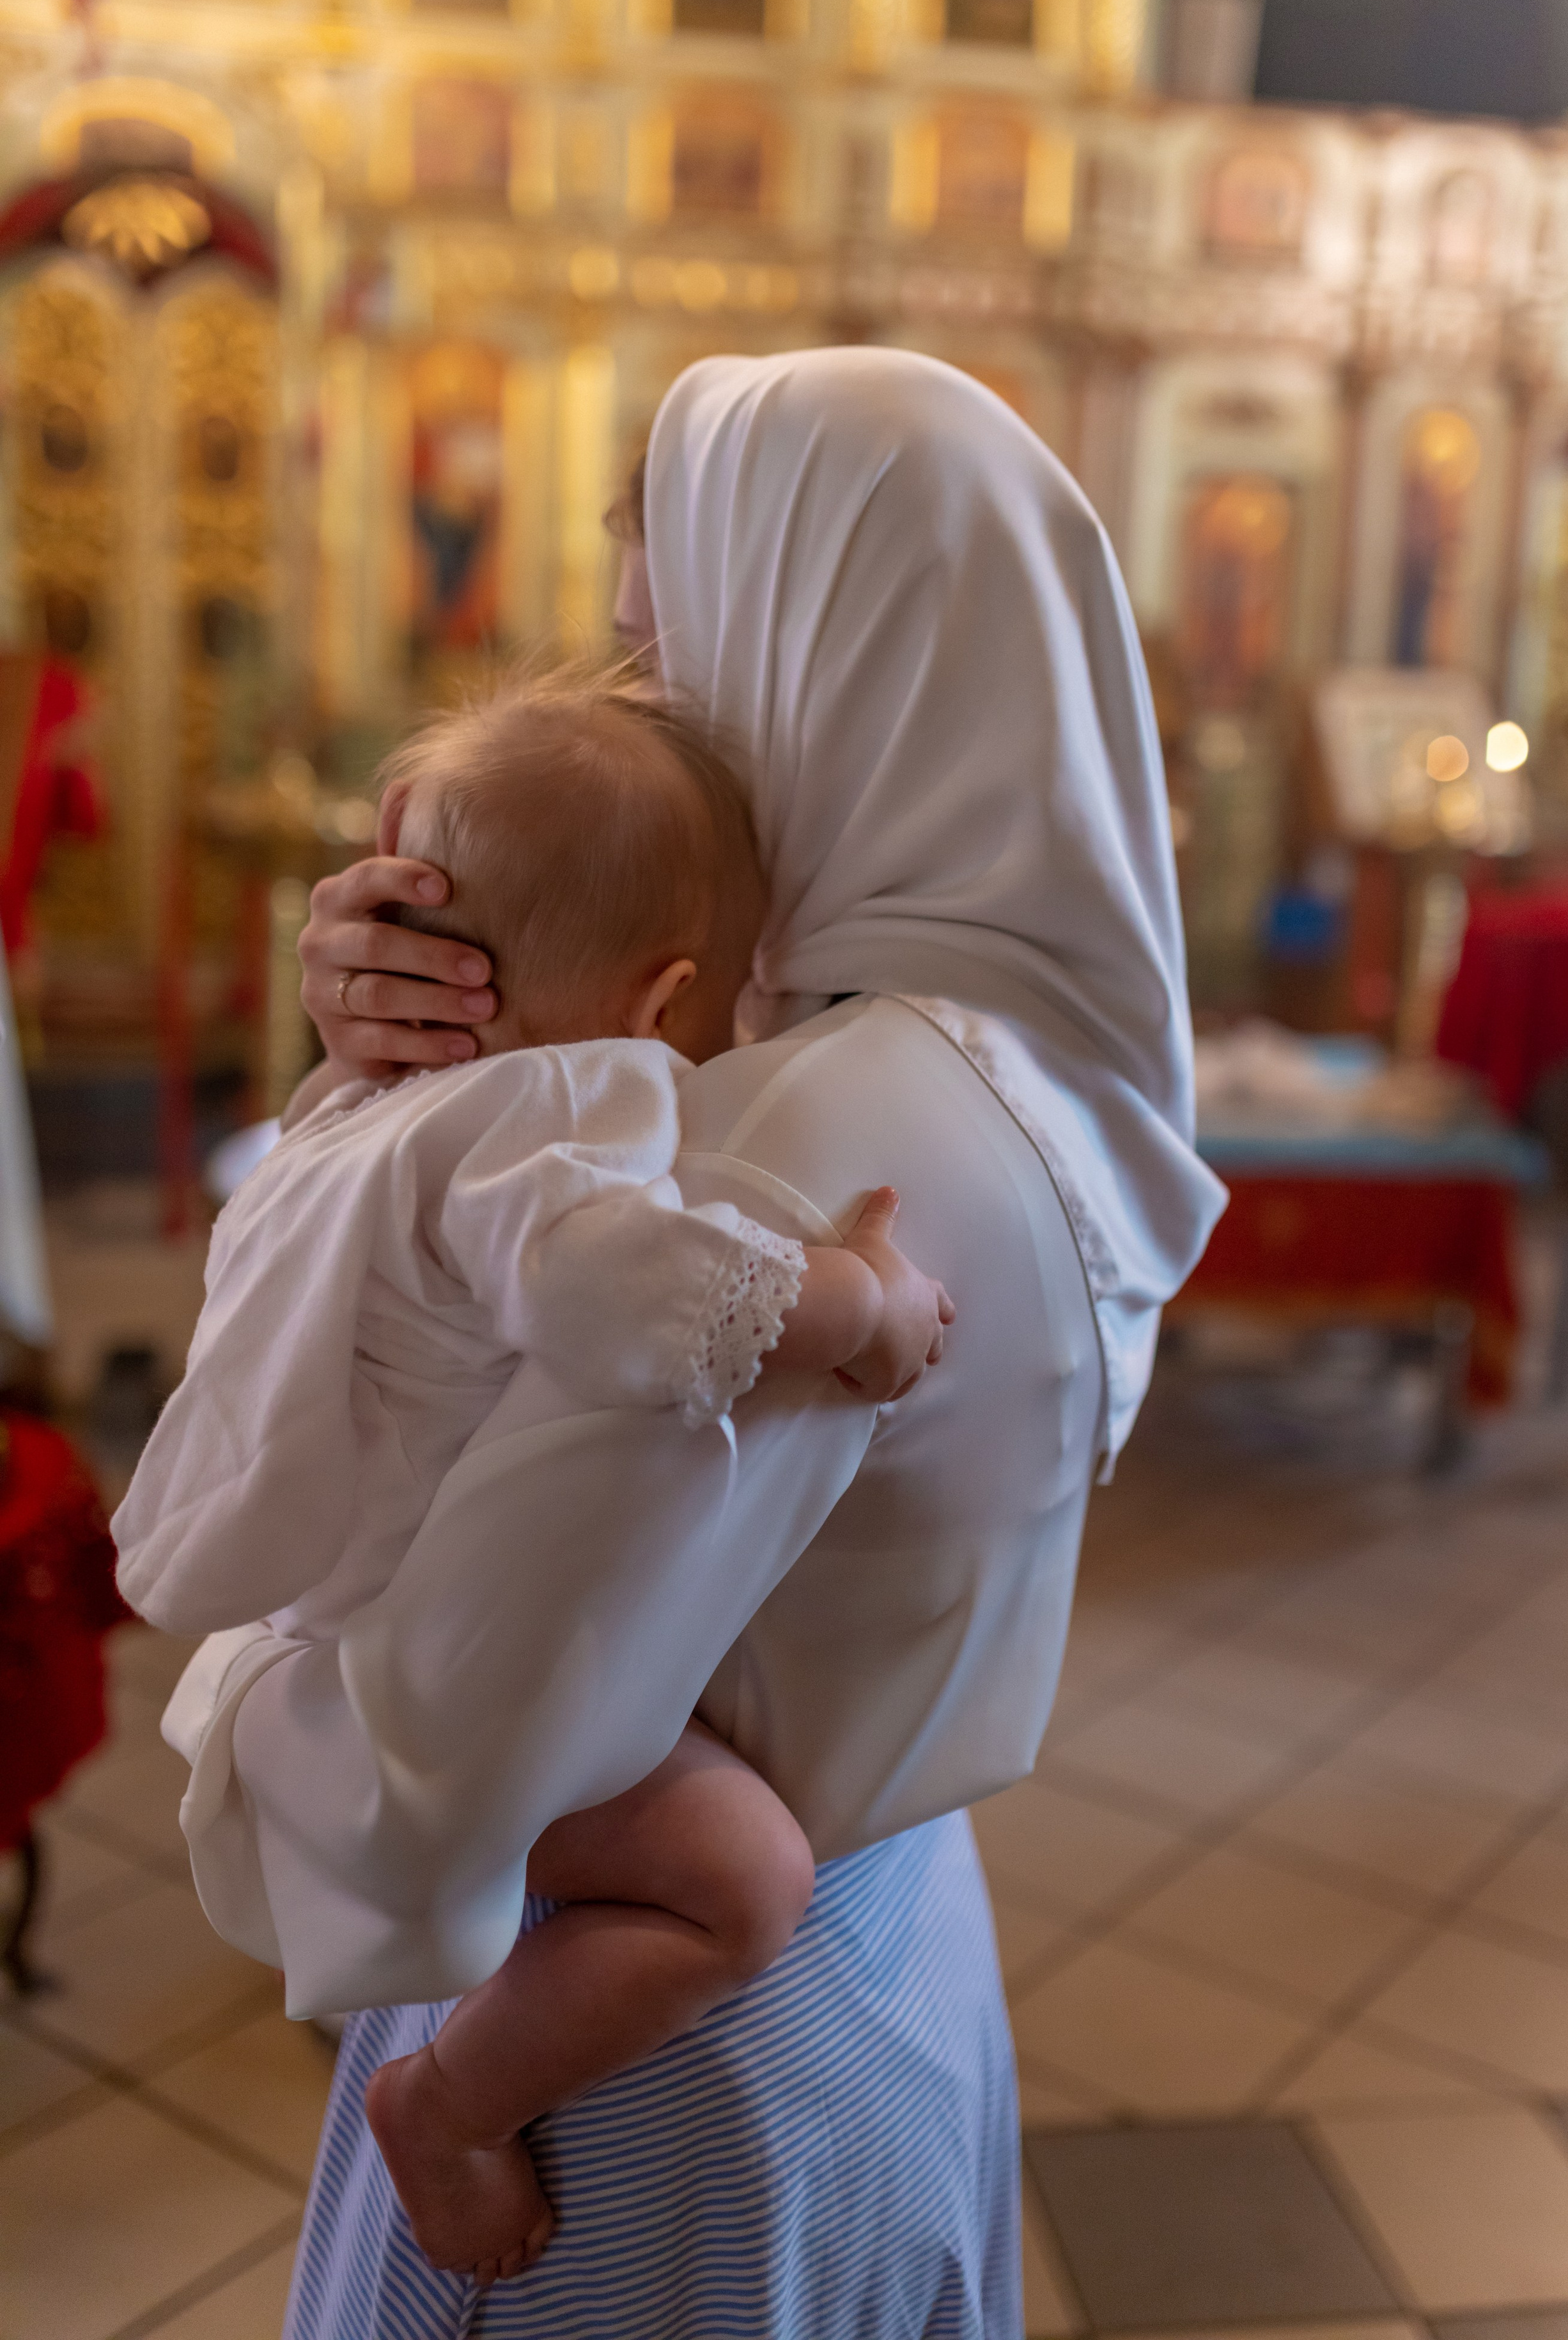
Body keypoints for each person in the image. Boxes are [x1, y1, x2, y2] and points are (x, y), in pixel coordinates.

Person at [198, 350, 1223, 2338]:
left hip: (632, 2086)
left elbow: (412, 1673)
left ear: (830, 662)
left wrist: (236, 1692)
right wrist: (397, 1049)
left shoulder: (782, 1145)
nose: (638, 724)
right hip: (883, 1945)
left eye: (673, 667)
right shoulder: (1005, 1059)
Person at [113, 674, 952, 2287]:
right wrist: (860, 1307)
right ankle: (450, 2111)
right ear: (666, 999)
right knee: (743, 1882)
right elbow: (611, 1288)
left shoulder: (361, 1105)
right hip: (419, 1685)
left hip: (341, 1624)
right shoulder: (559, 1104)